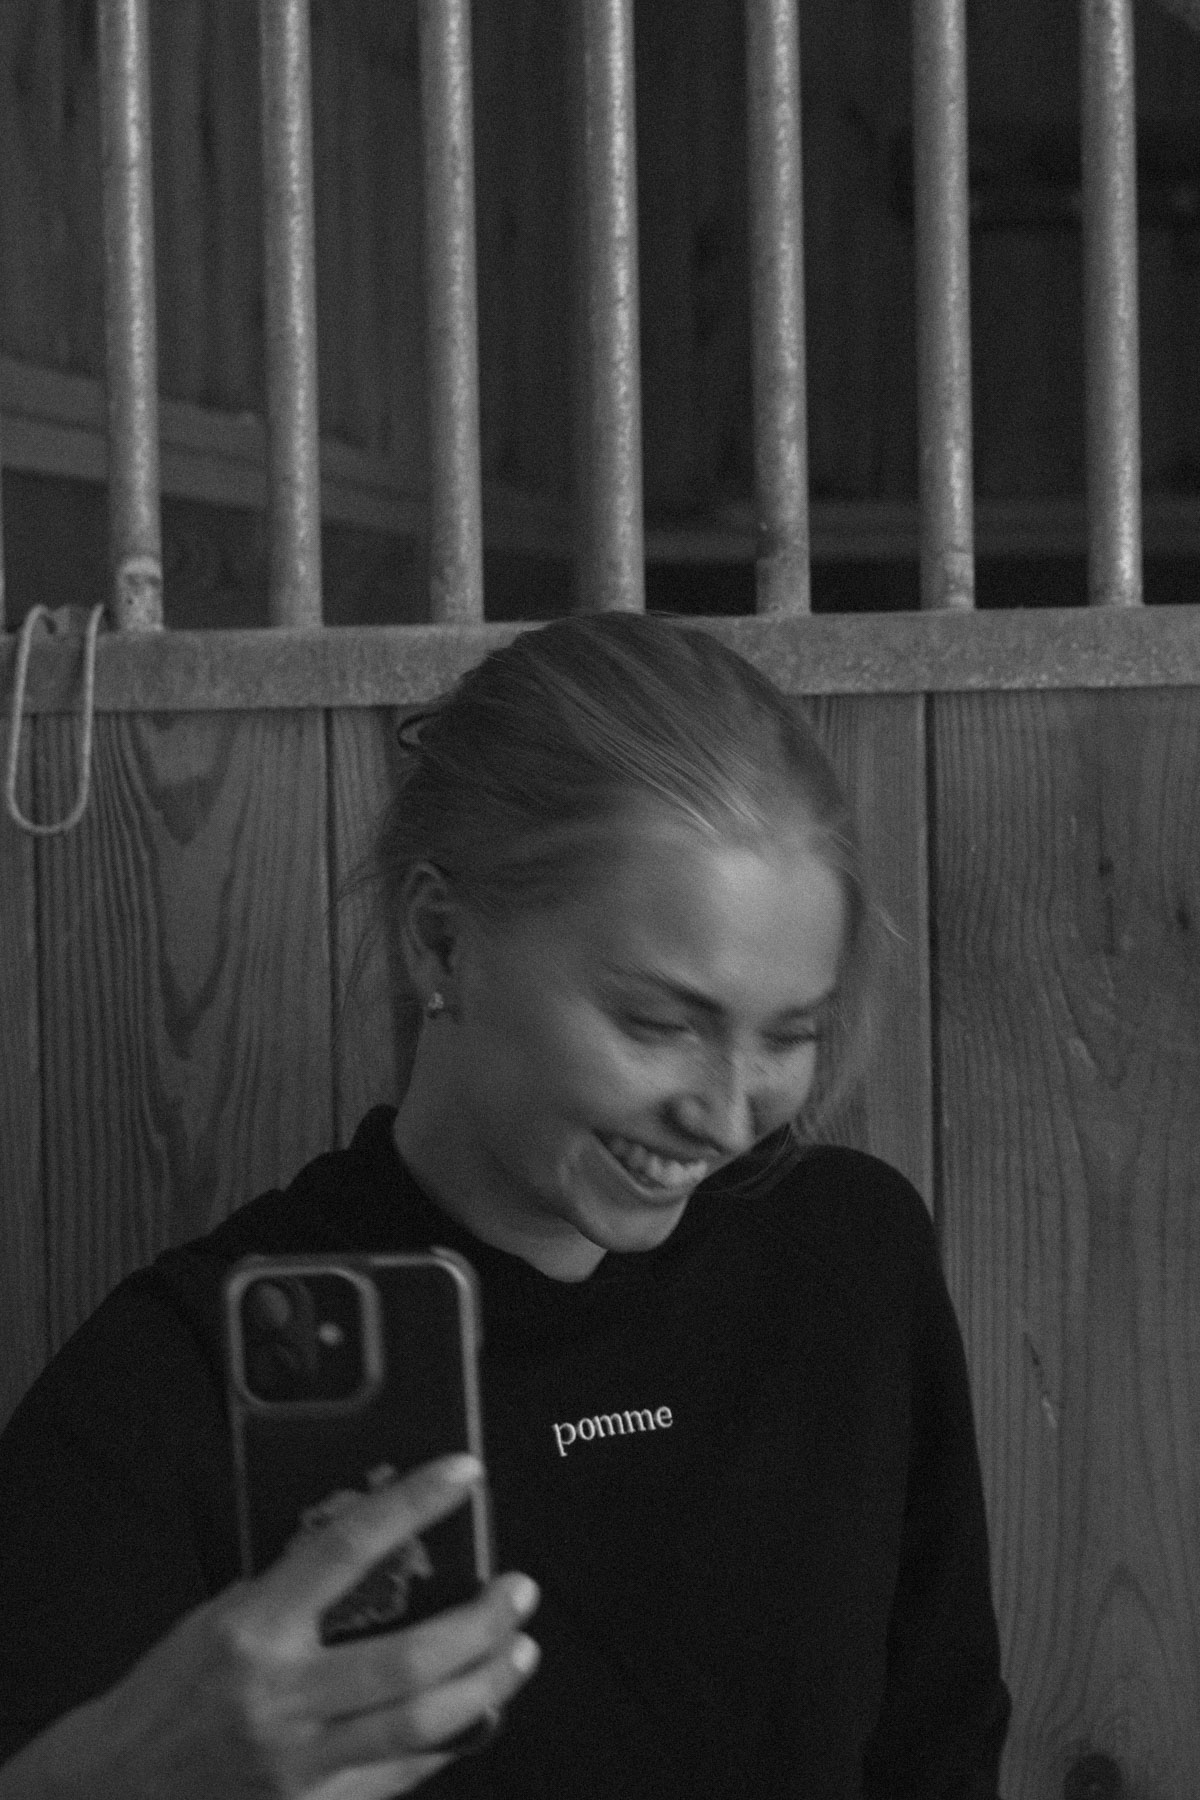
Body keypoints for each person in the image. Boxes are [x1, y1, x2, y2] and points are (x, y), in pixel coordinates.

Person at [0, 613, 1011, 1798]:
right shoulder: (173, 1380)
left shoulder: (848, 1258)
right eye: (658, 1023)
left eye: (790, 1035)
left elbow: (940, 1743)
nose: (731, 1115)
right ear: (440, 942)